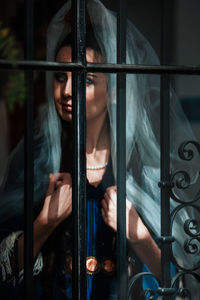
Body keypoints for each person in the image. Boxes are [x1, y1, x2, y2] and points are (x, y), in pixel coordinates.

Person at [0, 0, 199, 299]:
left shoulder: (142, 165)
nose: (67, 90)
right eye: (59, 76)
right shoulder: (39, 158)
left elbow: (182, 283)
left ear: (115, 92)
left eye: (86, 80)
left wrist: (138, 234)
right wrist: (45, 223)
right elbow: (6, 269)